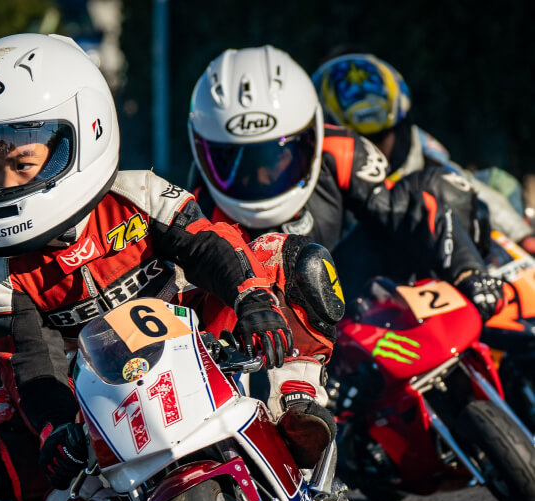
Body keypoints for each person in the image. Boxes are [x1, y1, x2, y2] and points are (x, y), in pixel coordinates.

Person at [0, 33, 342, 501]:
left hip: (197, 336)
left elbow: (209, 246)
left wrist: (251, 300)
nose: (2, 183)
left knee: (283, 255)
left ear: (84, 135)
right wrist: (55, 428)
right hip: (97, 383)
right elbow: (29, 367)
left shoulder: (140, 193)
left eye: (21, 163)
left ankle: (295, 394)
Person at [187, 45, 504, 322]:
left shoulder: (342, 150)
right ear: (201, 150)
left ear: (313, 133)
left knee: (443, 187)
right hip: (261, 324)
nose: (261, 176)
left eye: (277, 155)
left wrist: (469, 273)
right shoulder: (196, 206)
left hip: (352, 299)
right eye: (232, 159)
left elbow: (408, 207)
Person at [310, 52, 535, 254]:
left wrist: (521, 236)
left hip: (437, 259)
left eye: (381, 137)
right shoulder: (316, 176)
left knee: (500, 182)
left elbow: (465, 185)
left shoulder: (420, 144)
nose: (370, 150)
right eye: (361, 140)